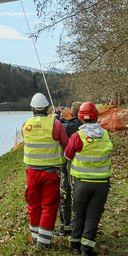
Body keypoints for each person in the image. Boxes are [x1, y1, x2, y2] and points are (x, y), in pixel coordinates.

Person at [65, 102, 113, 256]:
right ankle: (87, 249)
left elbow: (68, 155)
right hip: (101, 184)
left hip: (81, 183)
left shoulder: (77, 136)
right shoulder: (105, 134)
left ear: (80, 118)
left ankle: (74, 245)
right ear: (96, 116)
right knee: (93, 215)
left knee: (78, 213)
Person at [22, 92, 69, 249]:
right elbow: (66, 146)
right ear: (48, 108)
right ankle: (43, 242)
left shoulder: (26, 125)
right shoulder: (55, 125)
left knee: (33, 204)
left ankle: (35, 237)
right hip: (51, 173)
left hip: (32, 172)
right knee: (49, 205)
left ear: (32, 109)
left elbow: (34, 131)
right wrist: (56, 120)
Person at [56, 101, 83, 237]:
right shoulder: (84, 125)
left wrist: (57, 116)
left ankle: (65, 227)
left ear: (72, 112)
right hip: (82, 169)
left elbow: (61, 126)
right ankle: (79, 227)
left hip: (67, 165)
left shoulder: (72, 125)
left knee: (64, 195)